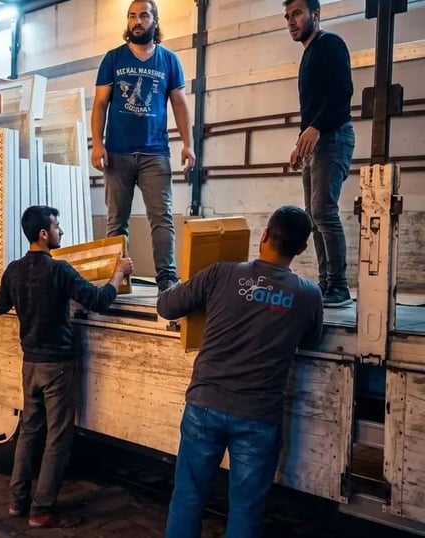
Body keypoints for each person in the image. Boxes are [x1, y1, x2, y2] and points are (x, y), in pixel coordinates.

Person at [157, 206, 324, 538]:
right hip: (258, 416)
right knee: (246, 508)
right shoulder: (308, 294)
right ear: (302, 248)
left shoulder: (222, 274)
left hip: (204, 406)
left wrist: (176, 285)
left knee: (188, 496)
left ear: (264, 235)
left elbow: (167, 306)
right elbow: (311, 340)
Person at [0, 205, 133, 529]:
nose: (61, 232)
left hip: (30, 364)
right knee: (57, 438)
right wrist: (118, 273)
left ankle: (17, 501)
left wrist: (25, 302)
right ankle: (42, 510)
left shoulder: (14, 270)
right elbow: (98, 300)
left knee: (29, 433)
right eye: (57, 227)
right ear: (44, 234)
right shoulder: (59, 270)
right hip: (56, 366)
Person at [91, 0, 195, 293]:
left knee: (162, 219)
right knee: (116, 222)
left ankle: (167, 279)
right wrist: (97, 144)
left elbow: (180, 104)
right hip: (117, 153)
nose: (137, 21)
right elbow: (100, 103)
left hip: (155, 153)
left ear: (155, 21)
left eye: (144, 16)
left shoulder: (169, 60)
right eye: (132, 16)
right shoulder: (113, 59)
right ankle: (117, 281)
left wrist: (188, 145)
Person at [285, 0, 355, 307]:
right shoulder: (309, 53)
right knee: (313, 216)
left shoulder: (330, 44)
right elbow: (312, 107)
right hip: (316, 140)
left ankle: (339, 286)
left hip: (334, 136)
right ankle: (327, 284)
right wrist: (300, 142)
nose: (291, 21)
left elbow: (342, 93)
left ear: (316, 14)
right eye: (287, 16)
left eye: (297, 14)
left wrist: (316, 129)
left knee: (324, 211)